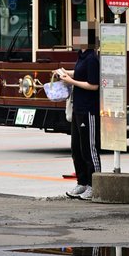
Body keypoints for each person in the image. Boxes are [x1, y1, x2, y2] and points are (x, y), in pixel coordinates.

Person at [57, 32, 100, 200]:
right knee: (76, 148)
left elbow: (94, 85)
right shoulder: (81, 56)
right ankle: (82, 182)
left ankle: (94, 184)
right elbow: (80, 73)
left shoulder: (92, 58)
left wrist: (71, 81)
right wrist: (65, 73)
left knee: (89, 148)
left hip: (88, 108)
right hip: (77, 108)